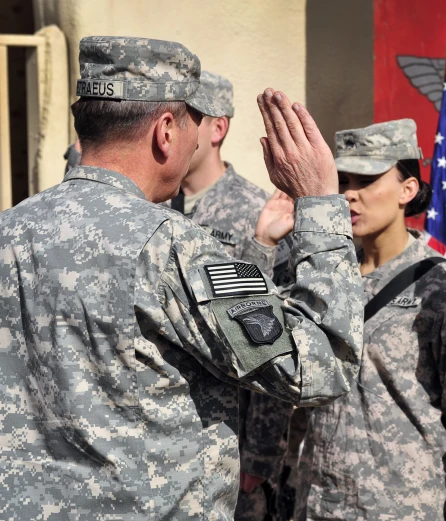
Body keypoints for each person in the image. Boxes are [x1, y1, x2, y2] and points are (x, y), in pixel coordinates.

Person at [0, 35, 363, 520]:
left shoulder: (9, 230)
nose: (195, 140)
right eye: (194, 122)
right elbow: (319, 365)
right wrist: (320, 205)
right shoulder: (173, 245)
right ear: (166, 130)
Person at [294, 119, 446, 520]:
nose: (349, 195)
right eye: (343, 181)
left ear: (407, 189)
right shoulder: (324, 279)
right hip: (317, 505)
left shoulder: (444, 289)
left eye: (367, 180)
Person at [151, 69, 295, 521]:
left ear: (218, 128)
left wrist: (261, 454)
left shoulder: (260, 212)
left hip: (229, 440)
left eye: (188, 117)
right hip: (159, 442)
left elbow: (275, 335)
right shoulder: (150, 209)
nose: (173, 130)